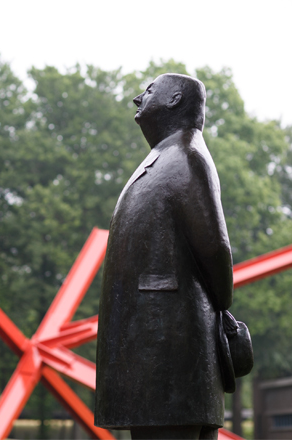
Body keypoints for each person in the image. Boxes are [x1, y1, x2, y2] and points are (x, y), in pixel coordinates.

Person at [95, 74, 233, 440]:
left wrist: (222, 303)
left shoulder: (185, 157)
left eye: (150, 91)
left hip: (169, 344)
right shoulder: (166, 156)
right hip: (157, 345)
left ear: (174, 99)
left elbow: (214, 245)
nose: (137, 98)